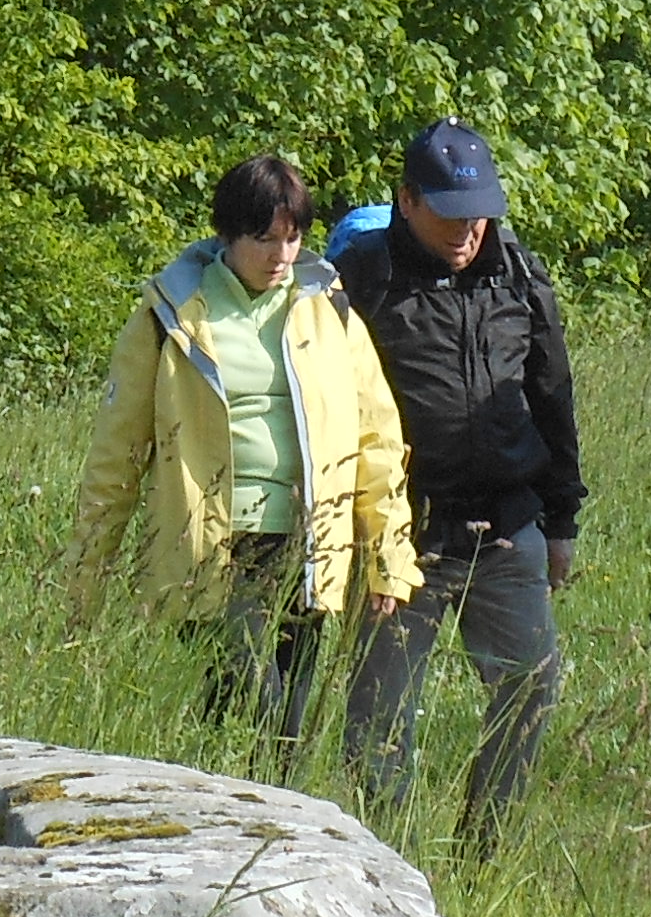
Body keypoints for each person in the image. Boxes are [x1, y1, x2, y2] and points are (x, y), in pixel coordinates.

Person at [65, 152, 414, 766]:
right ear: (227, 235)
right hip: (211, 545)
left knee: (284, 729)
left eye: (293, 236)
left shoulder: (329, 310)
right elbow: (116, 455)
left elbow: (377, 438)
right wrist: (85, 577)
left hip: (306, 545)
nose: (281, 254)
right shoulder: (168, 315)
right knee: (257, 695)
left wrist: (388, 552)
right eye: (264, 238)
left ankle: (260, 840)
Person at [330, 118, 580, 845]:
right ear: (406, 201)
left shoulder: (521, 275)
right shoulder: (362, 283)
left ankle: (484, 846)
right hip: (398, 533)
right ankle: (387, 856)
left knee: (531, 689)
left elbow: (552, 396)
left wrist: (561, 521)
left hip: (507, 525)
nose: (468, 228)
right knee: (379, 711)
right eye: (450, 210)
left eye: (480, 211)